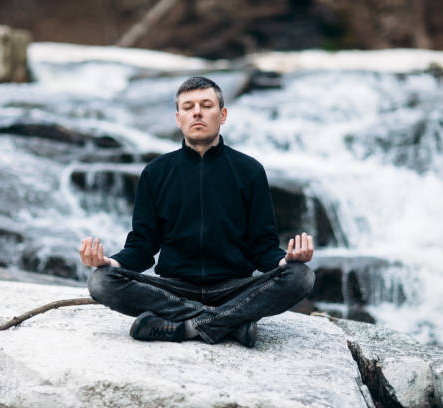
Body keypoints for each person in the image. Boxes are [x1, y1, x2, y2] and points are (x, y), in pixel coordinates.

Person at [80, 76, 315, 348]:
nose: (197, 112)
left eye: (206, 105)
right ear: (178, 118)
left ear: (223, 114)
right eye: (188, 106)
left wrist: (286, 261)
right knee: (100, 281)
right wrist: (111, 263)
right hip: (174, 288)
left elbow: (261, 246)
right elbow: (143, 246)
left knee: (302, 276)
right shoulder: (156, 172)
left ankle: (186, 327)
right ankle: (229, 324)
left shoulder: (249, 171)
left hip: (234, 288)